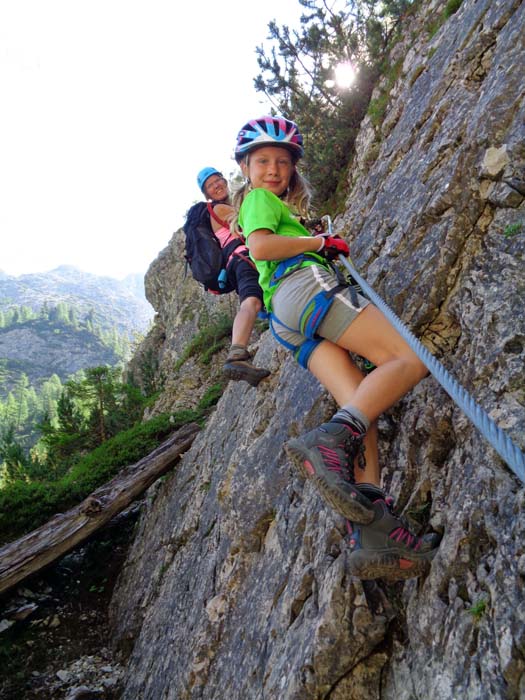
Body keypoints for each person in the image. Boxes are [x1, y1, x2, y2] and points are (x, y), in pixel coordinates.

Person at [231, 116, 442, 581]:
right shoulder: (259, 201)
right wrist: (320, 242)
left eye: (282, 163)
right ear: (245, 168)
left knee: (359, 404)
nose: (273, 170)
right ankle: (328, 440)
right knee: (407, 358)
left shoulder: (267, 201)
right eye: (262, 160)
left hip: (286, 322)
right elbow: (262, 247)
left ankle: (374, 534)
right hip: (304, 287)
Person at [196, 167, 270, 387]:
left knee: (260, 300)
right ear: (207, 193)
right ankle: (237, 353)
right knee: (252, 301)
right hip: (242, 257)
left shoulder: (224, 206)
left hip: (236, 262)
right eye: (211, 185)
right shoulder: (219, 208)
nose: (217, 185)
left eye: (219, 180)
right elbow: (245, 225)